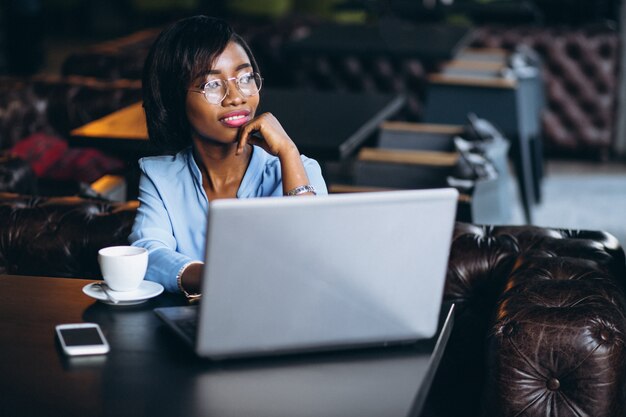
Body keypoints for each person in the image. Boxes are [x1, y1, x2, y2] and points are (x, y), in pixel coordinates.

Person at [129, 15, 327, 299]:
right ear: (175, 98)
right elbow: (148, 253)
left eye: (245, 78)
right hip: (193, 327)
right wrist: (222, 276)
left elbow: (319, 260)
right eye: (212, 85)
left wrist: (288, 151)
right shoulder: (161, 177)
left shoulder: (299, 168)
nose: (236, 97)